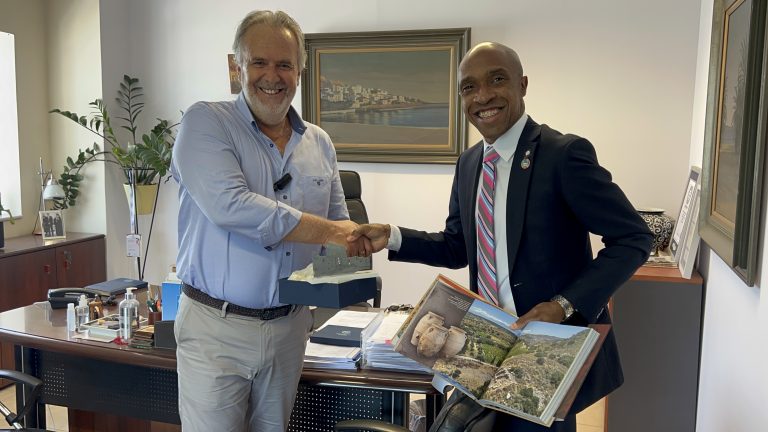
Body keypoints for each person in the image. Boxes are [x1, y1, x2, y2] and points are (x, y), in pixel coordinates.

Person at [350, 42, 653, 431]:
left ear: (522, 85)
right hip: (485, 346)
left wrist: (562, 306)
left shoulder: (563, 155)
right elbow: (457, 246)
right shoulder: (469, 163)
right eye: (469, 87)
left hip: (545, 350)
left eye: (496, 80)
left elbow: (633, 238)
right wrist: (392, 236)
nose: (482, 97)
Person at [171, 10, 369, 432]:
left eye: (284, 64)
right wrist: (334, 232)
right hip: (216, 329)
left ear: (299, 71)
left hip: (289, 329)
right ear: (237, 67)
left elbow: (340, 232)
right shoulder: (206, 122)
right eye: (259, 62)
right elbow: (233, 207)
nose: (272, 76)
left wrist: (362, 252)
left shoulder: (320, 143)